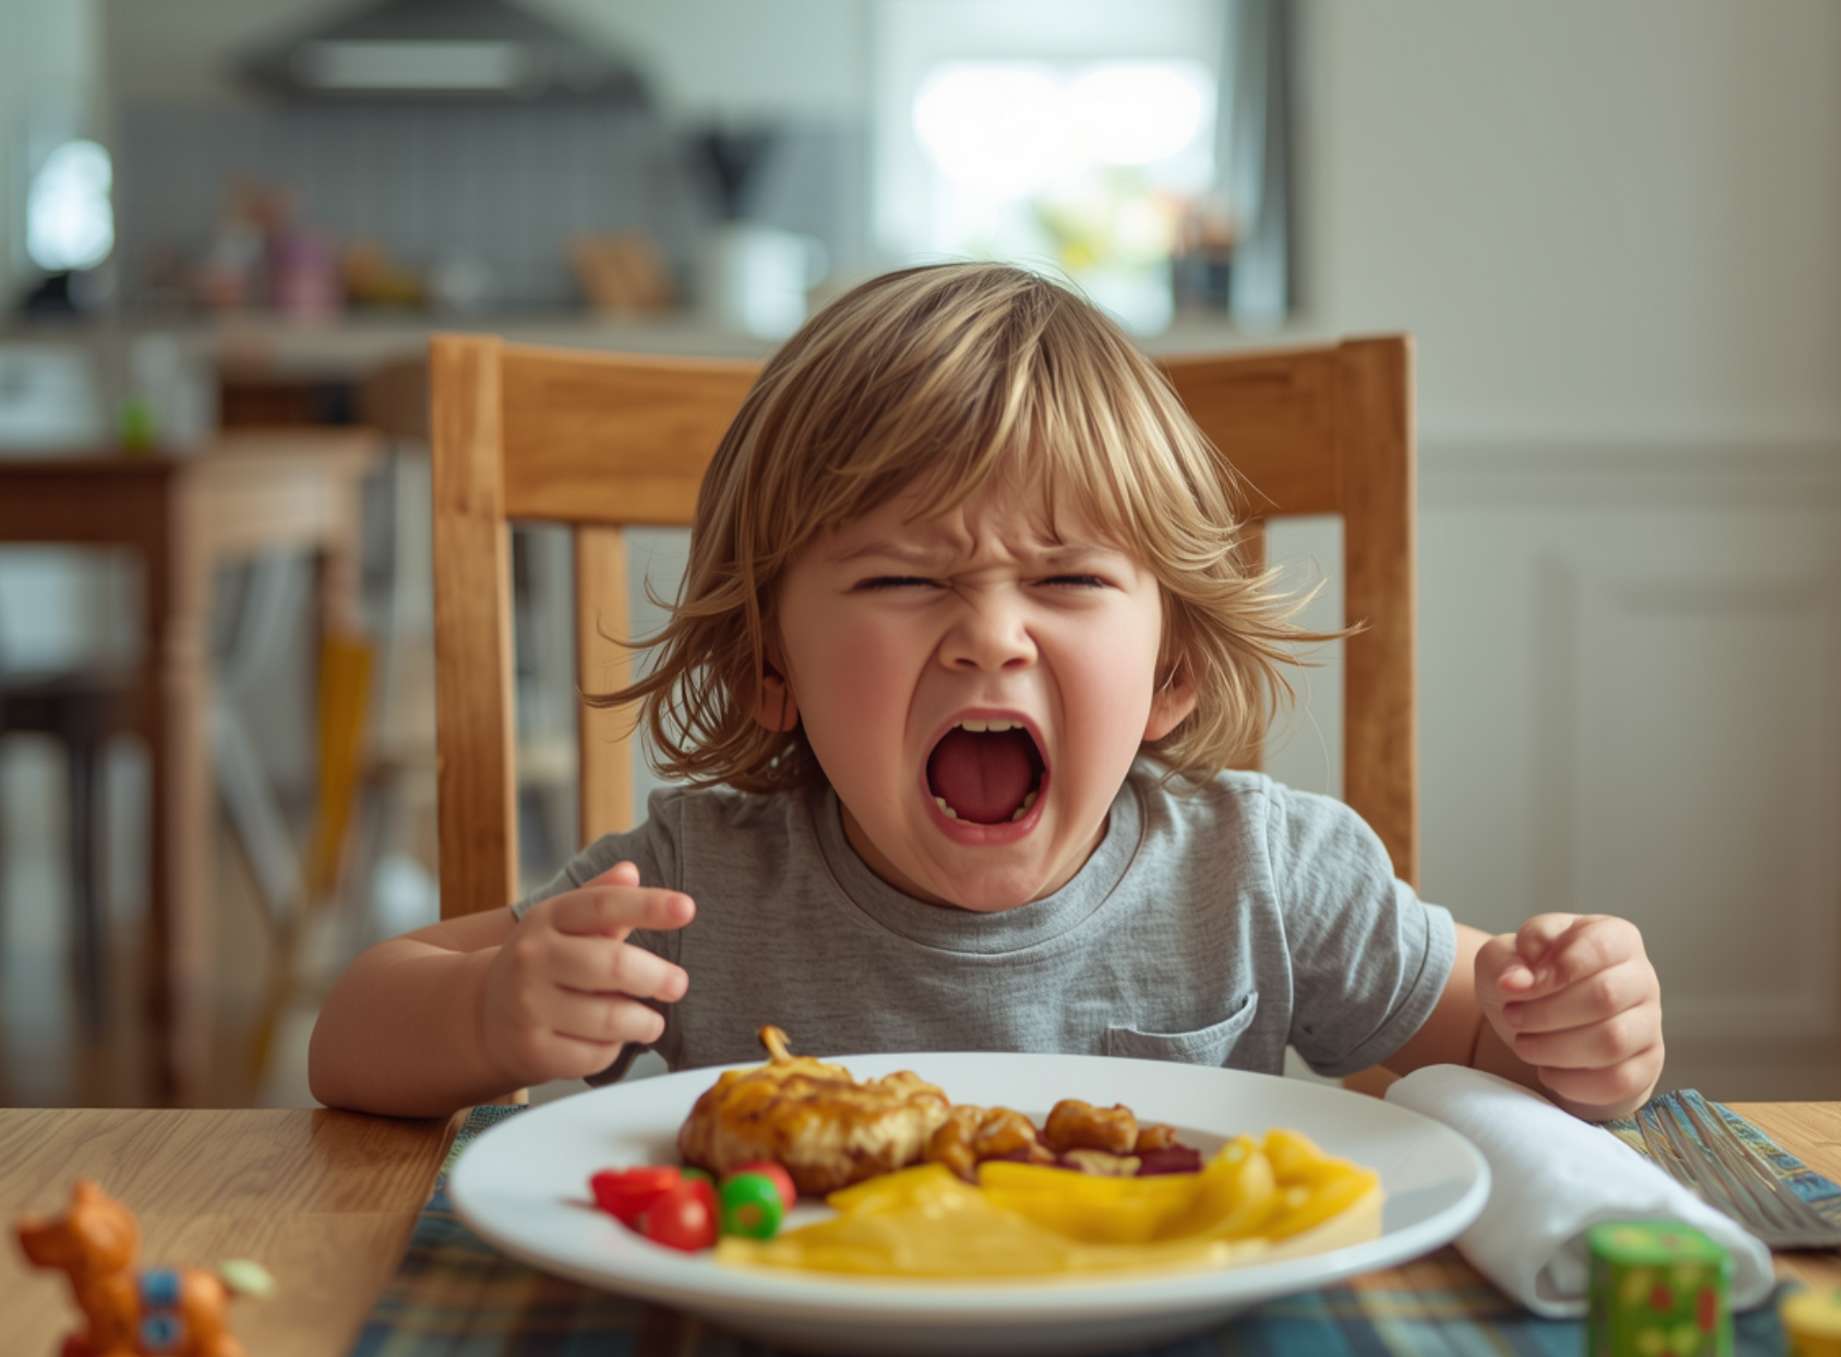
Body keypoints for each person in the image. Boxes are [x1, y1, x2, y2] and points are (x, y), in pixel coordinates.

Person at [309, 263, 1663, 1120]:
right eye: (902, 584)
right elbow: (355, 1027)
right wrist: (490, 1019)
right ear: (771, 666)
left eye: (1068, 582)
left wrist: (1574, 1025)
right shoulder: (697, 891)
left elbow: (1493, 1032)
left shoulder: (1264, 871)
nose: (987, 639)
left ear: (1175, 669)